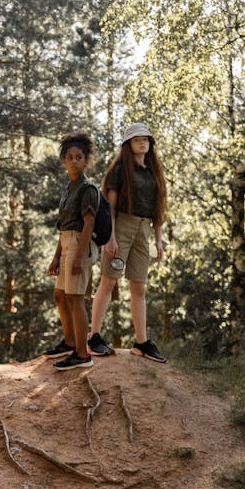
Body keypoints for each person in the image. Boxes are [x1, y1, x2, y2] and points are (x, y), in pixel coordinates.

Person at [88, 122, 168, 363]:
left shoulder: (154, 172)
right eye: (136, 139)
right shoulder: (120, 169)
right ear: (128, 144)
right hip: (121, 226)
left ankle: (141, 343)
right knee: (109, 281)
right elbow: (109, 208)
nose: (142, 142)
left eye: (146, 138)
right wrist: (110, 237)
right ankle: (93, 338)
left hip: (144, 229)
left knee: (139, 286)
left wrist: (159, 240)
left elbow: (159, 209)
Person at [44, 132, 101, 370]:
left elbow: (88, 224)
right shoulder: (69, 188)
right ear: (64, 160)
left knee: (75, 298)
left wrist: (78, 256)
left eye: (79, 157)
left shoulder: (87, 189)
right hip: (66, 242)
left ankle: (82, 354)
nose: (74, 161)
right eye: (70, 157)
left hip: (81, 245)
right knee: (60, 295)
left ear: (86, 160)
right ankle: (69, 342)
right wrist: (57, 256)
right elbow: (63, 226)